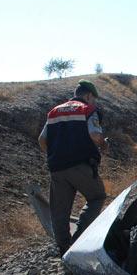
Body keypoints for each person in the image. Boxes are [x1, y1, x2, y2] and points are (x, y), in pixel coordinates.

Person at [38, 80, 108, 257]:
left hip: (56, 167)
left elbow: (42, 140)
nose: (94, 103)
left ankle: (64, 249)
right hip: (81, 164)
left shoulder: (54, 112)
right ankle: (78, 239)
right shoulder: (88, 110)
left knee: (60, 211)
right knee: (97, 196)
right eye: (94, 99)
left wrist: (56, 154)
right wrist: (103, 144)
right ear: (88, 95)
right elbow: (94, 134)